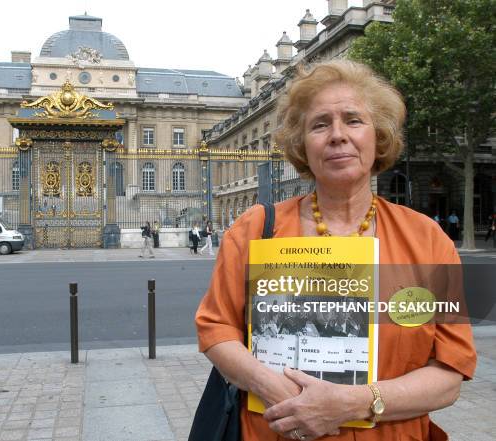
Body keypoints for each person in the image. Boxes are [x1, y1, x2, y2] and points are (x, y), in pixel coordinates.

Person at [195, 60, 476, 441]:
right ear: (301, 145)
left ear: (378, 137)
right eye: (320, 124)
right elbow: (216, 330)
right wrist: (272, 387)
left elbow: (448, 375)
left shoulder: (427, 238)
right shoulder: (255, 230)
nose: (337, 135)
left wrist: (353, 403)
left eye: (353, 120)